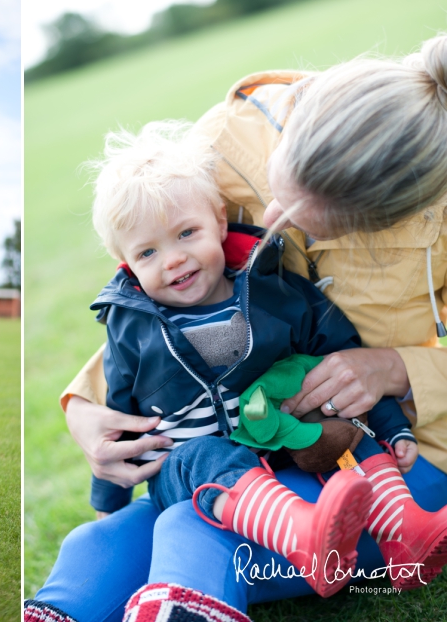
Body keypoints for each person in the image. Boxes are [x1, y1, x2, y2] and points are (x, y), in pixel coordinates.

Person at [26, 35, 447, 622]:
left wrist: (397, 367)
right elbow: (167, 312)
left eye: (307, 221)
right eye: (278, 193)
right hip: (246, 449)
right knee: (103, 541)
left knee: (191, 527)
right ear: (296, 121)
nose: (274, 223)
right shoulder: (222, 143)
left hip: (387, 455)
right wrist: (85, 408)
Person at [82, 120, 435, 598]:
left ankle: (404, 529)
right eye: (148, 252)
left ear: (220, 222)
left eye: (187, 233)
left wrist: (392, 427)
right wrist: (110, 497)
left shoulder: (273, 291)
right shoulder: (132, 330)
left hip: (276, 446)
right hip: (192, 477)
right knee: (202, 454)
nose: (173, 259)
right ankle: (302, 536)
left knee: (333, 414)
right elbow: (118, 417)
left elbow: (346, 360)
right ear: (125, 263)